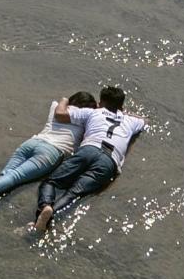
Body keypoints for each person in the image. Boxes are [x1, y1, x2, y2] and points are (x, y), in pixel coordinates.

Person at [0, 88, 98, 217]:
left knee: (6, 174)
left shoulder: (56, 107)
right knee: (15, 178)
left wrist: (65, 100)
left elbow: (60, 101)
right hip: (51, 152)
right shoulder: (86, 119)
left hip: (32, 143)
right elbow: (98, 118)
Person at [35, 85, 147, 234]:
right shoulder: (131, 121)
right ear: (121, 105)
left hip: (89, 150)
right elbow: (145, 120)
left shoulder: (93, 112)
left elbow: (60, 114)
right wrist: (123, 113)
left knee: (50, 181)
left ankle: (45, 206)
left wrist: (64, 100)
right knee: (73, 193)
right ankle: (49, 216)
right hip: (109, 161)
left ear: (101, 102)